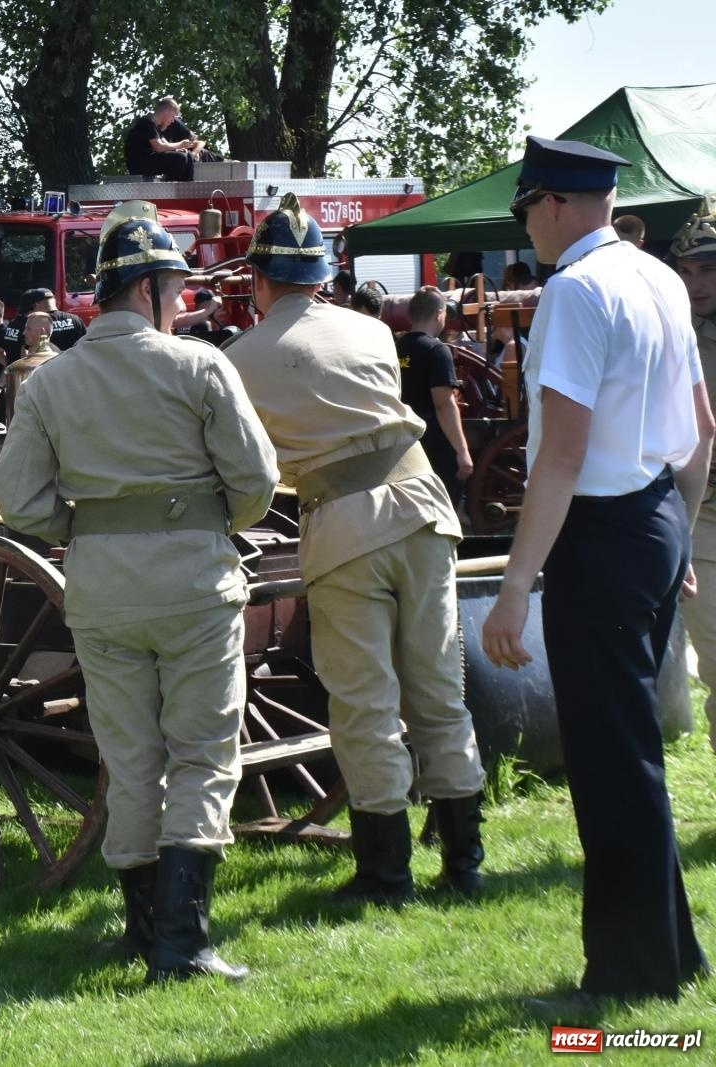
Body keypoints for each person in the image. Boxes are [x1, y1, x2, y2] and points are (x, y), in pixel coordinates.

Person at [0, 203, 278, 984]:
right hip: (193, 583)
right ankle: (182, 944)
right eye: (178, 285)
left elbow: (19, 500)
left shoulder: (52, 381)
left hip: (101, 585)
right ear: (149, 287)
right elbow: (255, 486)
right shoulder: (200, 367)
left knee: (128, 756)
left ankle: (141, 928)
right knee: (201, 755)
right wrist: (204, 517)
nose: (185, 299)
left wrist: (88, 524)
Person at [481, 141, 711, 1013]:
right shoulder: (655, 276)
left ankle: (631, 976)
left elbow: (563, 454)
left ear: (553, 204)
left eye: (526, 207)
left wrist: (513, 586)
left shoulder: (576, 291)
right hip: (652, 518)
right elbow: (702, 429)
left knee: (613, 764)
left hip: (603, 531)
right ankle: (668, 956)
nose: (526, 224)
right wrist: (677, 542)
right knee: (632, 756)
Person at [227, 193, 487, 905]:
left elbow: (247, 464)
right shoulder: (374, 331)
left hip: (346, 525)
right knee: (438, 686)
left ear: (260, 279)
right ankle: (466, 859)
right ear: (320, 274)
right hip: (424, 510)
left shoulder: (240, 358)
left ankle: (386, 874)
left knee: (365, 699)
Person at [671, 196, 716, 752]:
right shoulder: (678, 337)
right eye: (685, 271)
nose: (694, 283)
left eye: (707, 270)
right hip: (702, 520)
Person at [397, 288, 473, 509]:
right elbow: (444, 404)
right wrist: (462, 451)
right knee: (442, 511)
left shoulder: (396, 347)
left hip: (404, 444)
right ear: (439, 314)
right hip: (434, 446)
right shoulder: (436, 350)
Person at [122, 97, 201, 181]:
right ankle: (170, 187)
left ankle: (186, 186)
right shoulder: (147, 122)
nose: (173, 121)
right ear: (166, 110)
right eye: (173, 116)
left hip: (148, 161)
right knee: (179, 158)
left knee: (187, 155)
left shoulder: (156, 126)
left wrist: (178, 148)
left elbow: (166, 144)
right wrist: (180, 144)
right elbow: (159, 148)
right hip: (139, 165)